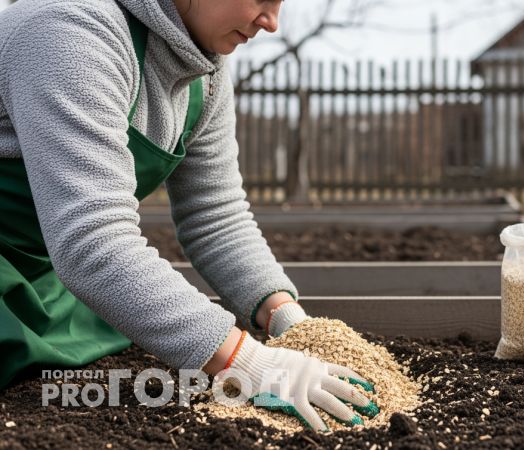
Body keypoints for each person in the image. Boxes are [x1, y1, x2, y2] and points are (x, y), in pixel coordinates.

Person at [0, 0, 379, 431]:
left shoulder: (205, 68)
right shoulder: (67, 31)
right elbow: (93, 241)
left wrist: (286, 319)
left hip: (45, 276)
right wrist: (250, 363)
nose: (272, 23)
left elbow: (215, 217)